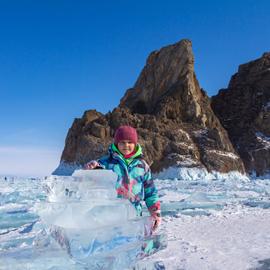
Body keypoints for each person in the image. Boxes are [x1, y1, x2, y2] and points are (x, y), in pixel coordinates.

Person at [85, 125, 161, 231]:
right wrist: (92, 169)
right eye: (122, 142)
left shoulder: (142, 166)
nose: (126, 145)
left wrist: (155, 212)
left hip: (134, 217)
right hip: (110, 219)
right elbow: (93, 180)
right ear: (116, 144)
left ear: (135, 144)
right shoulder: (105, 163)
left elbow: (150, 193)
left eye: (130, 142)